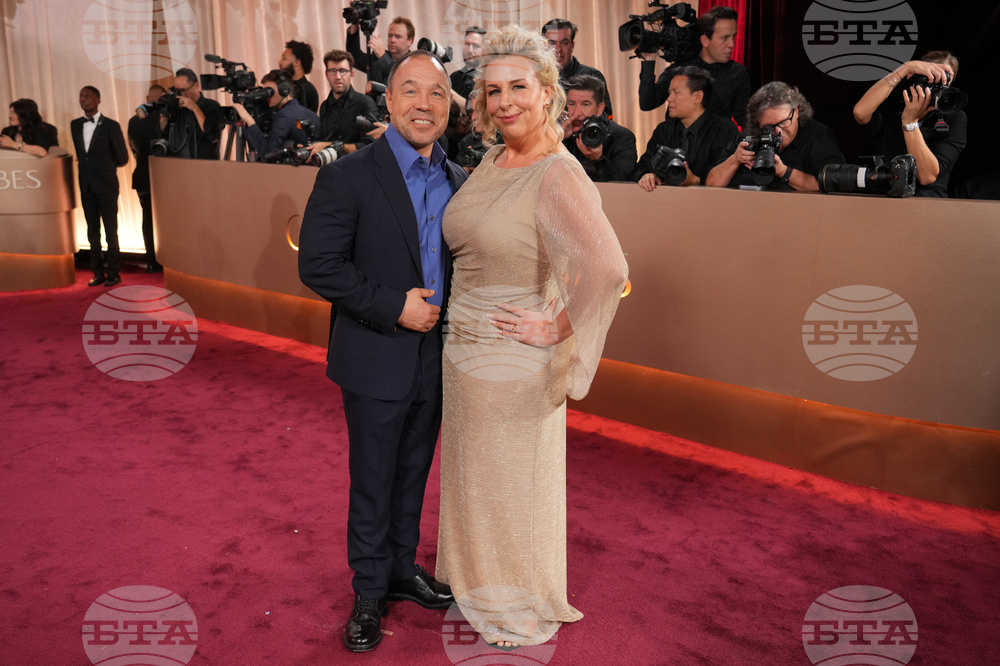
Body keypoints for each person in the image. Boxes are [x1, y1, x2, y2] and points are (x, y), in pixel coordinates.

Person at [435, 24, 628, 647]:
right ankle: (479, 583)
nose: (504, 101)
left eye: (519, 86)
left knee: (510, 484)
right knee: (477, 480)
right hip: (464, 356)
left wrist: (558, 324)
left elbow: (609, 270)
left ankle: (514, 599)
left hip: (512, 362)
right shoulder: (492, 159)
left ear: (548, 91)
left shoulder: (556, 172)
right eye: (493, 91)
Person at [298, 50, 467, 653]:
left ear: (450, 105)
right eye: (411, 92)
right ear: (389, 101)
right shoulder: (348, 174)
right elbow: (317, 266)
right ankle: (369, 589)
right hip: (375, 349)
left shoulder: (459, 179)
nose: (424, 104)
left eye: (438, 94)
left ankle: (400, 568)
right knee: (373, 475)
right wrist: (394, 304)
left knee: (415, 470)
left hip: (438, 357)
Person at [852, 52, 967, 198]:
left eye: (943, 84)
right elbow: (860, 112)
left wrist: (910, 122)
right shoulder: (893, 109)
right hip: (885, 200)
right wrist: (905, 68)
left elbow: (927, 176)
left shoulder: (954, 118)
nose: (937, 90)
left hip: (927, 206)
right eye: (931, 81)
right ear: (914, 78)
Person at [706, 81, 844, 192]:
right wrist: (735, 159)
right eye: (768, 127)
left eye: (783, 122)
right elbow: (711, 183)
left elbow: (829, 184)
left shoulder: (817, 135)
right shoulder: (749, 136)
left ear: (796, 111)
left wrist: (784, 172)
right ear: (758, 122)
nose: (778, 131)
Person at [638, 6, 752, 127]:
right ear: (705, 41)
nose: (732, 44)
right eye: (725, 38)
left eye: (733, 37)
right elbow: (647, 103)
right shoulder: (678, 69)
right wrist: (649, 61)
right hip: (675, 144)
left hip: (717, 143)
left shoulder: (739, 73)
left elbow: (744, 119)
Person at [634, 66, 737, 189]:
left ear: (697, 97)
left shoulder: (724, 130)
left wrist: (696, 181)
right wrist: (647, 175)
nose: (669, 99)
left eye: (676, 93)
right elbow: (641, 167)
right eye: (669, 93)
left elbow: (728, 177)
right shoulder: (664, 130)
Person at [70, 86, 129, 287]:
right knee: (92, 231)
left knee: (111, 231)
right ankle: (97, 272)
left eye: (87, 96)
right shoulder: (75, 125)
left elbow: (123, 157)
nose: (83, 99)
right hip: (86, 185)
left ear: (98, 99)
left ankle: (113, 272)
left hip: (106, 185)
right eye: (80, 96)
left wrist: (103, 164)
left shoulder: (111, 125)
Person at [561, 75, 637, 182]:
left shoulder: (622, 136)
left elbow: (622, 182)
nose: (577, 113)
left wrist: (598, 160)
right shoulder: (560, 134)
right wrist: (558, 139)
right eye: (572, 104)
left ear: (600, 108)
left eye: (585, 104)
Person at [235, 69, 321, 162]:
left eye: (269, 91)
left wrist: (249, 120)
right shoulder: (311, 114)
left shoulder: (284, 115)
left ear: (284, 90)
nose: (266, 96)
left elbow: (267, 153)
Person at [127, 84, 166, 272]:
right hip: (164, 175)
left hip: (142, 174)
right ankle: (168, 257)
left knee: (147, 219)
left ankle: (151, 260)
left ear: (146, 97)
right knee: (166, 220)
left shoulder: (134, 121)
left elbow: (133, 147)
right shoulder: (165, 119)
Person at [542, 18, 614, 117]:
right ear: (543, 46)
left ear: (572, 45)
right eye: (552, 43)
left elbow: (606, 118)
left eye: (564, 43)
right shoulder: (534, 78)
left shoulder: (592, 76)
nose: (558, 49)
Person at [318, 49, 379, 153]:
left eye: (342, 71)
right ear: (326, 75)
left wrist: (330, 146)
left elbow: (371, 146)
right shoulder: (324, 106)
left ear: (351, 74)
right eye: (333, 71)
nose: (338, 77)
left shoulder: (365, 103)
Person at [346, 15, 414, 86]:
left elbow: (401, 78)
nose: (392, 40)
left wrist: (383, 56)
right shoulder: (377, 58)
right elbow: (354, 57)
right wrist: (354, 25)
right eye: (390, 36)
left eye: (398, 37)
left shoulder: (416, 61)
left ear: (409, 41)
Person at [171, 68, 222, 159]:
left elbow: (212, 135)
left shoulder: (212, 106)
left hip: (206, 166)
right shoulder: (176, 110)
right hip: (180, 165)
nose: (181, 94)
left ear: (196, 85)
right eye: (177, 91)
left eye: (184, 90)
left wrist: (194, 108)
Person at [279, 40, 320, 113]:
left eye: (284, 58)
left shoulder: (308, 91)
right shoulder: (281, 86)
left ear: (297, 62)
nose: (280, 62)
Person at [451, 26, 486, 100]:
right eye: (467, 44)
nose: (470, 50)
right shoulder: (453, 78)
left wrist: (451, 93)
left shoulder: (488, 79)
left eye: (476, 46)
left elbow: (472, 110)